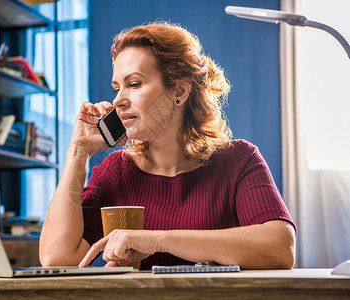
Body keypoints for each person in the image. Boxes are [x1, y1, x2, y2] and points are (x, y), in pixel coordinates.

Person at [39, 21, 296, 270]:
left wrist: (157, 240)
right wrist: (78, 151)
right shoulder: (115, 172)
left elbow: (280, 247)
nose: (118, 100)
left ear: (179, 92)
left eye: (134, 84)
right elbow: (56, 257)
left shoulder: (240, 160)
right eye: (117, 88)